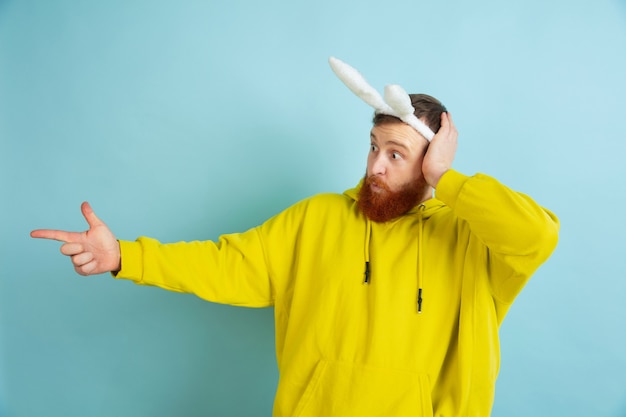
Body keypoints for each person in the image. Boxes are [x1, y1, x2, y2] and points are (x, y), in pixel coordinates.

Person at [31, 58, 559, 416]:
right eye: (373, 146)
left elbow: (537, 236)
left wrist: (449, 179)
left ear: (433, 159)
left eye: (396, 153)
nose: (376, 165)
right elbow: (224, 265)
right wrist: (125, 256)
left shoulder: (474, 240)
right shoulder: (315, 220)